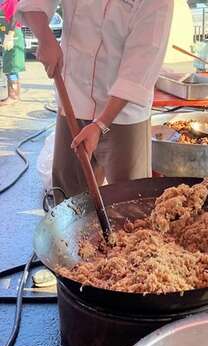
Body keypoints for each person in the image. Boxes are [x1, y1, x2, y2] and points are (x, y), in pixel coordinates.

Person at [15, 0, 173, 202]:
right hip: (73, 97)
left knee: (130, 201)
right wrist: (45, 38)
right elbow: (34, 4)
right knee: (68, 197)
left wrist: (100, 125)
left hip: (124, 112)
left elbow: (141, 64)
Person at [0, 0, 25, 105]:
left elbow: (15, 16)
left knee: (12, 65)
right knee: (9, 64)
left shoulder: (11, 0)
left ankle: (13, 96)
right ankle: (15, 95)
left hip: (13, 35)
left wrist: (10, 35)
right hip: (5, 35)